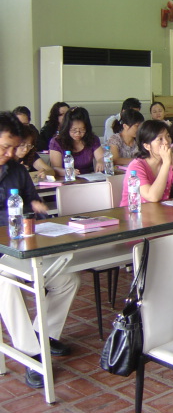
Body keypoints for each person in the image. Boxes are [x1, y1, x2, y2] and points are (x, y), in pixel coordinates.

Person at [0, 111, 79, 389]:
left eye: (14, 148)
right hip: (3, 257)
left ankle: (42, 335)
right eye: (5, 147)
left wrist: (38, 209)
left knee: (68, 280)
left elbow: (33, 204)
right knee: (6, 284)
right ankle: (31, 353)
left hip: (21, 249)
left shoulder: (17, 171)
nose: (10, 154)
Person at [120, 120, 173, 205]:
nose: (166, 142)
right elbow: (153, 197)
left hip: (160, 211)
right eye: (160, 139)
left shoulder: (170, 163)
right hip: (135, 212)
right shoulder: (136, 167)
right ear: (147, 146)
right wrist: (166, 164)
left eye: (168, 136)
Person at [49, 107, 104, 175]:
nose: (78, 133)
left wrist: (101, 162)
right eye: (73, 130)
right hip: (66, 178)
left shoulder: (92, 139)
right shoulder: (57, 142)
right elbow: (55, 168)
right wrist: (68, 172)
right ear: (67, 128)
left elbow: (101, 157)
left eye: (82, 130)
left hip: (89, 177)